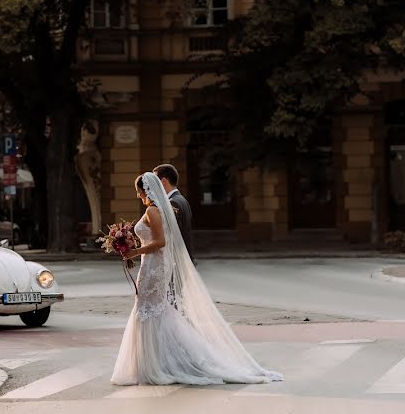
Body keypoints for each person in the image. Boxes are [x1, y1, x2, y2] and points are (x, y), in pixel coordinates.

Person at [110, 172, 282, 386]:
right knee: (153, 310)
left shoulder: (152, 210)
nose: (137, 195)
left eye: (138, 191)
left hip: (154, 265)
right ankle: (158, 361)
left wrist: (134, 252)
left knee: (149, 310)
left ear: (146, 190)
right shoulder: (158, 209)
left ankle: (157, 364)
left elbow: (161, 242)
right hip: (152, 264)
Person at [153, 164, 193, 262]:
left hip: (176, 260)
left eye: (155, 182)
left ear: (163, 181)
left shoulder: (173, 203)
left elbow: (171, 235)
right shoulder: (182, 200)